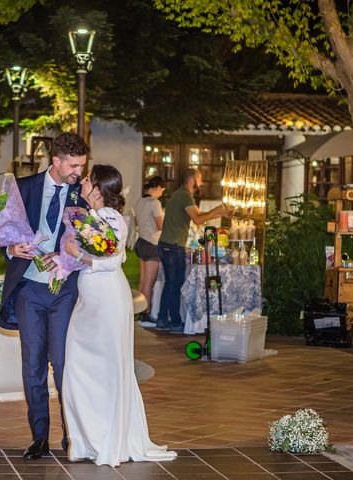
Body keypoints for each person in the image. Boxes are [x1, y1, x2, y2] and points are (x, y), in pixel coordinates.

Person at [62, 165, 177, 467]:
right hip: (93, 301)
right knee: (81, 367)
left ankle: (105, 439)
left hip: (106, 301)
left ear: (98, 189)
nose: (82, 182)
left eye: (87, 180)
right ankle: (91, 438)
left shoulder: (109, 218)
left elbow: (111, 261)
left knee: (105, 370)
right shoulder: (95, 218)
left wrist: (75, 254)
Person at [0, 132, 88, 460]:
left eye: (82, 164)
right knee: (33, 364)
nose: (79, 171)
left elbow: (93, 243)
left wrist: (66, 257)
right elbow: (3, 232)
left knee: (64, 365)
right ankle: (39, 436)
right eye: (74, 165)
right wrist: (11, 248)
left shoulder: (84, 194)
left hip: (65, 292)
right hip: (29, 290)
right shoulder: (23, 188)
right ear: (56, 161)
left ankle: (72, 435)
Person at [156, 168, 233, 334]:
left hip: (167, 245)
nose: (202, 182)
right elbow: (198, 220)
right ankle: (175, 322)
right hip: (173, 246)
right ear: (192, 180)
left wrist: (218, 212)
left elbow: (197, 216)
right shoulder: (184, 195)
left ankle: (162, 319)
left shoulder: (180, 194)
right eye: (200, 179)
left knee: (170, 284)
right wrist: (218, 211)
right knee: (175, 285)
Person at [133, 176, 165, 327]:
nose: (161, 193)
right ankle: (146, 315)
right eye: (162, 190)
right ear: (157, 187)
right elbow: (161, 226)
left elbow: (137, 222)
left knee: (142, 280)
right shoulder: (155, 203)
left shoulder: (140, 201)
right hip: (152, 243)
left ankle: (139, 313)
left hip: (141, 242)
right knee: (149, 282)